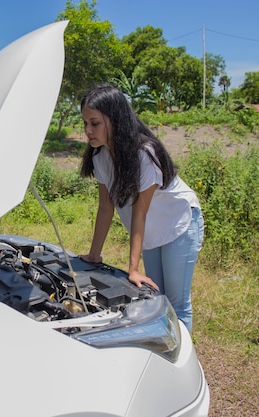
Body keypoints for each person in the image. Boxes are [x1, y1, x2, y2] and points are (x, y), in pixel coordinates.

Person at [78, 84, 204, 332]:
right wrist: (94, 255)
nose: (87, 131)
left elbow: (140, 211)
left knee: (177, 304)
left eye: (94, 123)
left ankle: (180, 363)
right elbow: (106, 208)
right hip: (152, 233)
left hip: (179, 225)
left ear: (114, 120)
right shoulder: (100, 156)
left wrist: (132, 269)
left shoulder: (145, 153)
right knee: (157, 298)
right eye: (85, 123)